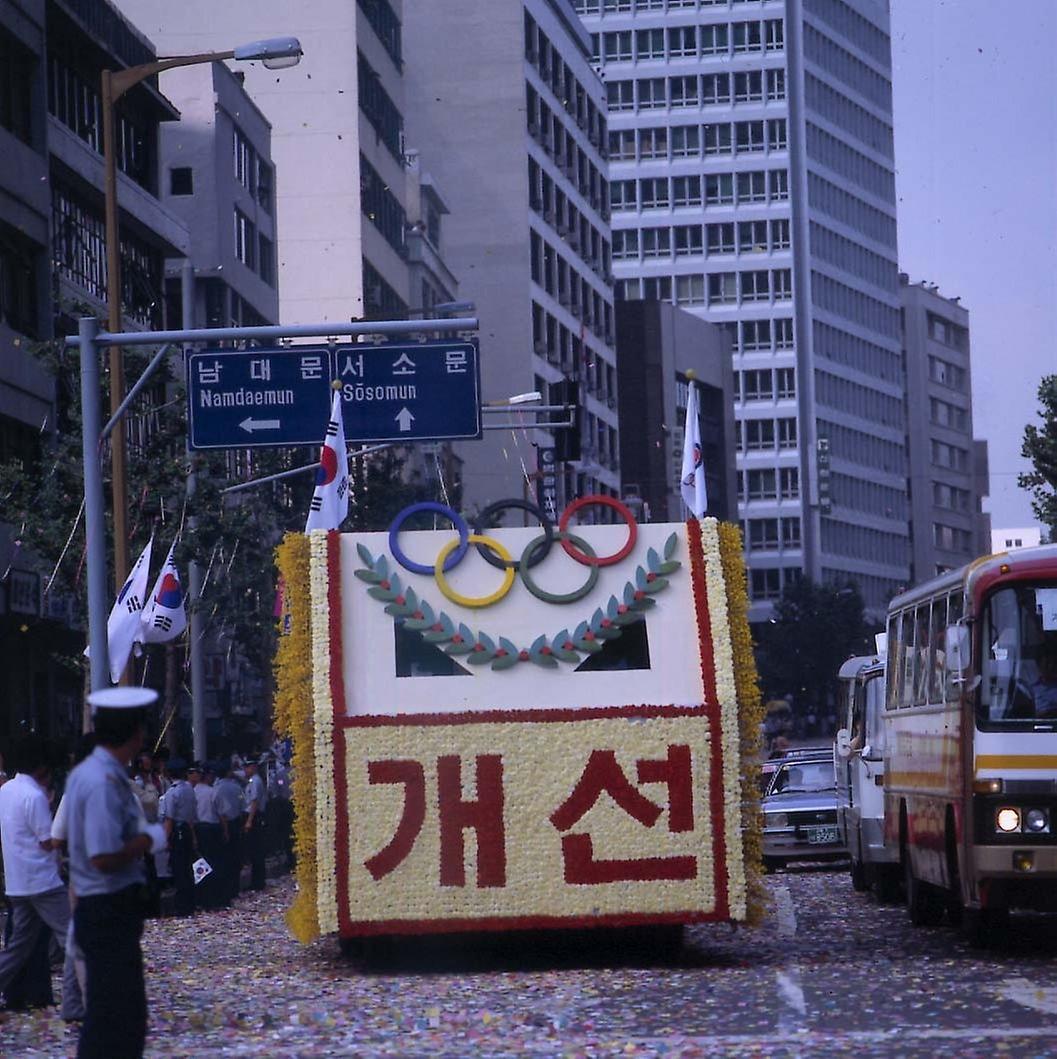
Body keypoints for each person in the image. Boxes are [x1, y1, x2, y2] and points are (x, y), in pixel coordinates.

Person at [64, 686, 166, 1059]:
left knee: (118, 1015)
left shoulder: (98, 773)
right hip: (107, 907)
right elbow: (103, 856)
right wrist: (150, 839)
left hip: (108, 909)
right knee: (114, 1018)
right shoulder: (101, 781)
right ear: (135, 733)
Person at [0, 734, 83, 1020]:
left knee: (18, 946)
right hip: (43, 881)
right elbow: (48, 841)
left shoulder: (6, 790)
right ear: (40, 766)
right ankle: (76, 1002)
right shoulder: (34, 795)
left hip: (17, 882)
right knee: (73, 938)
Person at [159, 759, 197, 916]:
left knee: (179, 869)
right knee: (188, 869)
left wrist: (165, 839)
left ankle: (182, 907)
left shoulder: (171, 793)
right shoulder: (189, 789)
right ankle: (190, 903)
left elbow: (169, 819)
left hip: (178, 831)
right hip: (188, 830)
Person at [191, 763, 223, 910]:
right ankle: (213, 899)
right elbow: (221, 814)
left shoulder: (193, 791)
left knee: (200, 865)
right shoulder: (212, 792)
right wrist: (226, 831)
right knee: (214, 863)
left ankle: (200, 898)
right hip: (212, 829)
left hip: (198, 829)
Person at [212, 759, 244, 903]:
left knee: (224, 857)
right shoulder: (236, 787)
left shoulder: (216, 788)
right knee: (236, 855)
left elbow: (217, 808)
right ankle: (234, 887)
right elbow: (243, 802)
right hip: (236, 821)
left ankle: (225, 888)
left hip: (222, 824)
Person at [243, 757, 268, 891]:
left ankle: (258, 882)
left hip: (255, 817)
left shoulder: (255, 781)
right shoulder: (253, 781)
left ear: (253, 767)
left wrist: (249, 821)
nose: (245, 770)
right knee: (255, 852)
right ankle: (257, 881)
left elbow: (254, 803)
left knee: (256, 851)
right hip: (255, 816)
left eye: (247, 767)